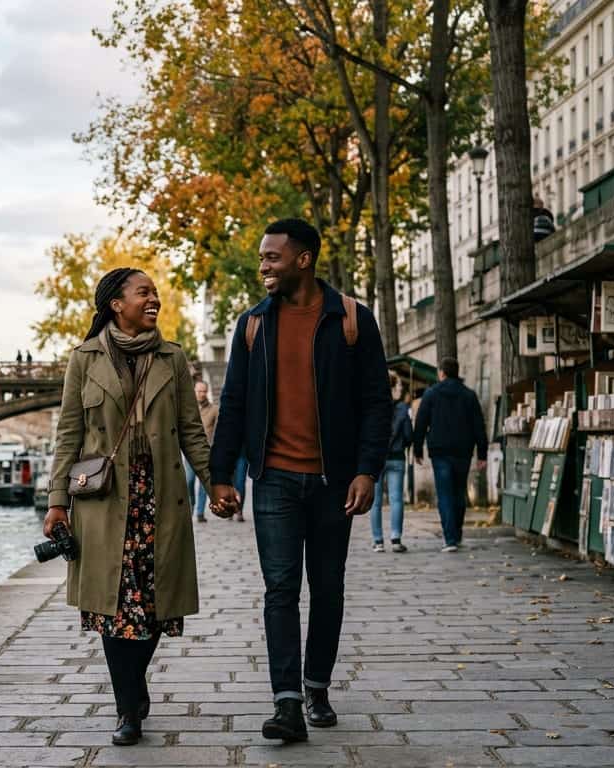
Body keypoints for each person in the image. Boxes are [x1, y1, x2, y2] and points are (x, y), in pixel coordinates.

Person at [209, 218, 391, 742]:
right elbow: (234, 404)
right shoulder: (253, 324)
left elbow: (376, 402)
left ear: (303, 259)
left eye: (272, 257)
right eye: (262, 257)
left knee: (328, 587)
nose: (263, 266)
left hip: (335, 482)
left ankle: (317, 687)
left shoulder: (352, 319)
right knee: (280, 589)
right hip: (275, 481)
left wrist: (366, 470)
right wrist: (221, 476)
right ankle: (286, 703)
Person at [44, 267, 212, 747]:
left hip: (160, 499)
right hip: (103, 503)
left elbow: (191, 430)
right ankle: (128, 709)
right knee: (113, 606)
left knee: (154, 606)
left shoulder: (172, 358)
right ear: (117, 304)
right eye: (144, 292)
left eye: (155, 292)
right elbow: (69, 435)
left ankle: (132, 690)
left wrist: (215, 483)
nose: (154, 298)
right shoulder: (84, 359)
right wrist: (57, 502)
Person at [411, 357, 487, 553]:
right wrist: (482, 453)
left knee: (444, 494)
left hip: (440, 451)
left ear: (442, 373)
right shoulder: (469, 395)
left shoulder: (431, 394)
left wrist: (417, 449)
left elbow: (421, 423)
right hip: (463, 451)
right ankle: (457, 534)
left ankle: (450, 538)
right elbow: (479, 425)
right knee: (459, 492)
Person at [370, 379, 413, 553]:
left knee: (375, 502)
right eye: (399, 386)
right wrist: (404, 444)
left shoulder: (374, 405)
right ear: (393, 388)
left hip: (376, 458)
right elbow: (409, 434)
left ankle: (378, 541)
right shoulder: (403, 408)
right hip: (396, 457)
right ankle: (395, 538)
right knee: (396, 499)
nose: (401, 389)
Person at [185, 379, 218, 522]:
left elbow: (218, 431)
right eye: (199, 391)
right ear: (194, 392)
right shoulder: (188, 408)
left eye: (204, 391)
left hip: (207, 452)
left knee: (205, 482)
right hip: (189, 451)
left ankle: (199, 512)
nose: (202, 394)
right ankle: (192, 504)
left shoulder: (214, 410)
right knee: (189, 481)